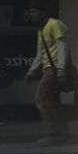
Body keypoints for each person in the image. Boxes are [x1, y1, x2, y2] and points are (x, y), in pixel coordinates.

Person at [32, 13, 72, 145]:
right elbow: (41, 52)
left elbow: (62, 46)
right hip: (48, 68)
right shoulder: (41, 29)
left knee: (41, 98)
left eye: (34, 11)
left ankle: (53, 132)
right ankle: (62, 131)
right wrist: (32, 71)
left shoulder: (54, 24)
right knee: (53, 100)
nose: (32, 15)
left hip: (53, 68)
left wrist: (61, 68)